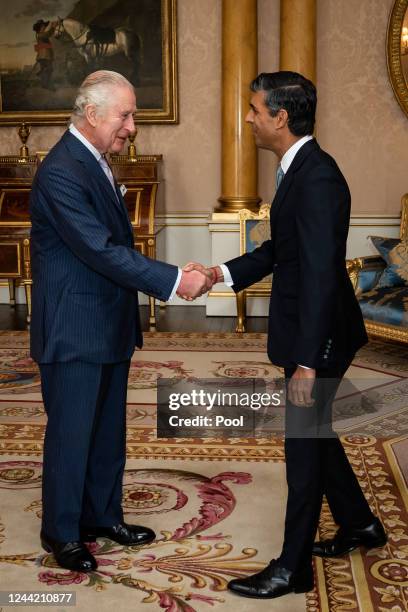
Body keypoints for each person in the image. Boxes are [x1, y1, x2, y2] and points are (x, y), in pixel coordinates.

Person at [189, 71, 387, 600]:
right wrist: (219, 275)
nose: (248, 118)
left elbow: (322, 273)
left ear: (281, 117)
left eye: (255, 109)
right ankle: (361, 525)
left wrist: (307, 362)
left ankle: (292, 567)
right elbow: (283, 251)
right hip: (312, 329)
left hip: (319, 336)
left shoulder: (317, 176)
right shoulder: (296, 169)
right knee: (315, 435)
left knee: (301, 449)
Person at [30, 70, 212, 573]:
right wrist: (175, 280)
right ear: (92, 115)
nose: (132, 127)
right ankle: (63, 533)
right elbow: (99, 249)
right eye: (126, 116)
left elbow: (112, 251)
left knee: (107, 430)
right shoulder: (61, 170)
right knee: (71, 433)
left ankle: (103, 516)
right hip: (73, 327)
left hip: (106, 321)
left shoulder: (94, 160)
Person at [33, 19, 56, 89]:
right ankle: (47, 85)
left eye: (44, 26)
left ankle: (45, 84)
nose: (44, 27)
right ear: (39, 27)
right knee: (49, 69)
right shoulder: (40, 34)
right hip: (45, 56)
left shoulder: (40, 34)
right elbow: (48, 34)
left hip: (44, 55)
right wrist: (53, 27)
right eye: (43, 26)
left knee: (46, 70)